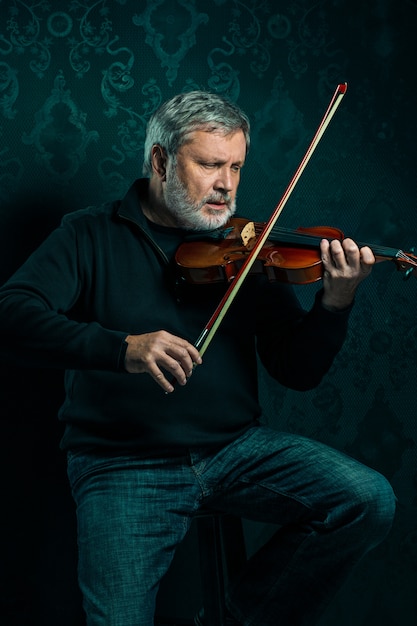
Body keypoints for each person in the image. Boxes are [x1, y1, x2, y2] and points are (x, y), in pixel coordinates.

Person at [0, 90, 396, 626]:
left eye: (235, 166)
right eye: (210, 164)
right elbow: (13, 314)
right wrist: (123, 347)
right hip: (123, 462)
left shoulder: (248, 247)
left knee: (367, 499)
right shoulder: (88, 234)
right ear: (161, 160)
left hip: (234, 451)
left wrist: (335, 301)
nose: (227, 184)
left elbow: (296, 371)